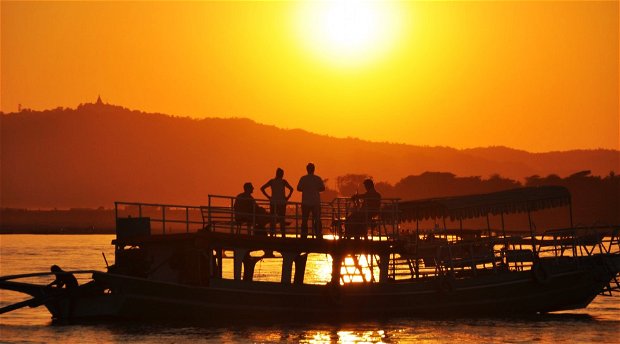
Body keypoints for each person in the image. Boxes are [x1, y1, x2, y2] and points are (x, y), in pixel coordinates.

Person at [260, 168, 293, 237]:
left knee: (273, 219)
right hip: (281, 203)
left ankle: (272, 234)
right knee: (281, 219)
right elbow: (291, 189)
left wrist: (269, 197)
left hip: (274, 202)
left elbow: (262, 188)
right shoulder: (283, 181)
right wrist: (287, 198)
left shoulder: (272, 181)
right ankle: (282, 235)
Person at [296, 163, 325, 239]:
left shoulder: (303, 178)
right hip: (315, 202)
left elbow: (298, 188)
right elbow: (322, 188)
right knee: (317, 219)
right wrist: (315, 189)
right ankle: (318, 234)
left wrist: (306, 189)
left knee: (304, 220)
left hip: (306, 202)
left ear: (307, 169)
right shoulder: (318, 178)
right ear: (314, 169)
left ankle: (304, 235)